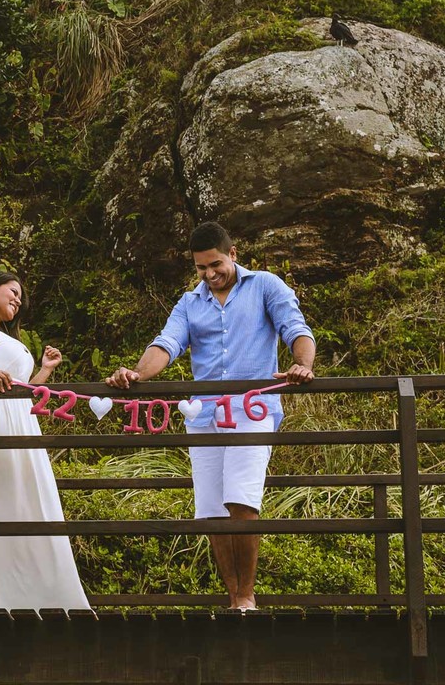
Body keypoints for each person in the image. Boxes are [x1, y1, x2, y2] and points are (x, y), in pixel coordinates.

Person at [105, 221, 315, 611]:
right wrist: (136, 372)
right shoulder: (190, 302)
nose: (210, 274)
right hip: (204, 416)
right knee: (212, 509)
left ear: (233, 254)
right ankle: (232, 596)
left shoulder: (265, 285)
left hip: (252, 410)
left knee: (243, 501)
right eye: (201, 268)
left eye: (215, 264)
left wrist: (301, 365)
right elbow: (167, 343)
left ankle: (247, 597)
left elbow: (295, 329)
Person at [0, 270, 90, 610]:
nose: (17, 300)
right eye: (12, 292)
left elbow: (22, 390)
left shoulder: (7, 336)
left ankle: (40, 597)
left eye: (21, 297)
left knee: (32, 503)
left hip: (22, 423)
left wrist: (46, 371)